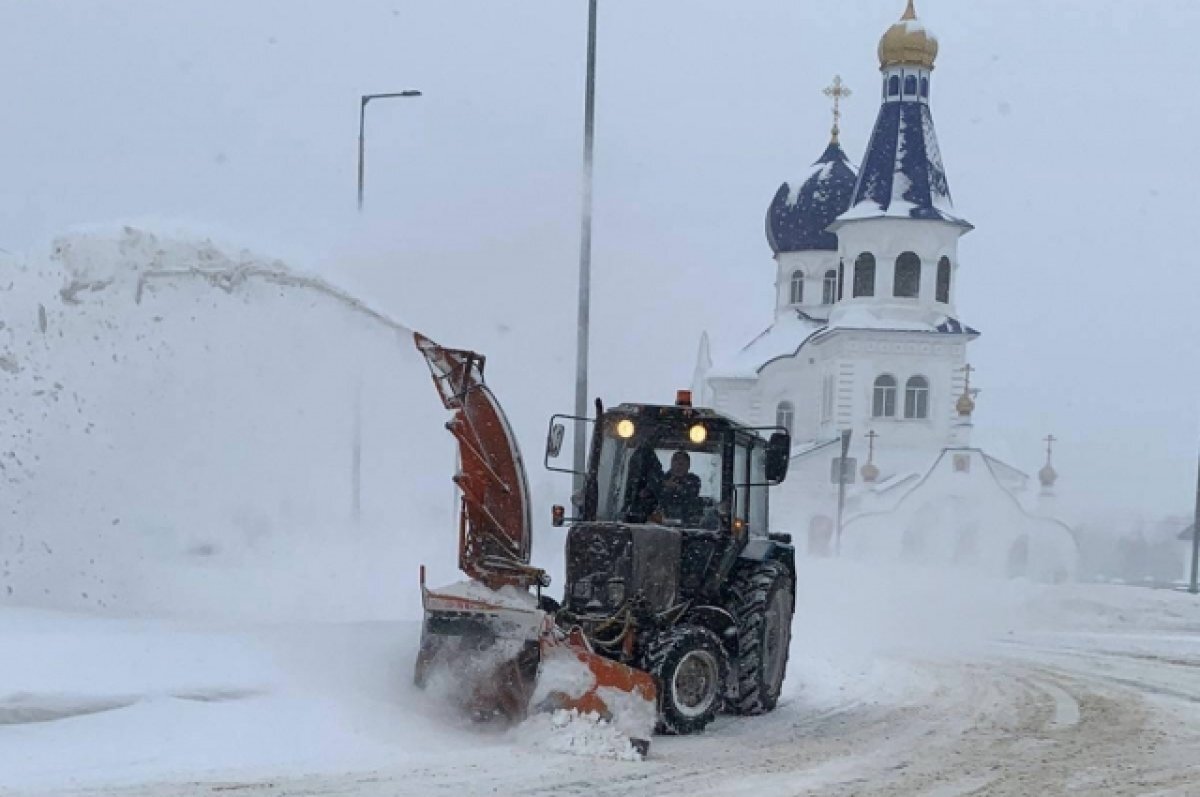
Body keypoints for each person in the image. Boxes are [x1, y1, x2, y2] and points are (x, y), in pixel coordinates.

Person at [659, 450, 702, 523]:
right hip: (663, 522)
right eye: (676, 461)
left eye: (682, 463)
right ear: (671, 464)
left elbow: (692, 494)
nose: (679, 466)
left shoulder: (694, 480)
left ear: (688, 466)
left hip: (688, 522)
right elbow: (657, 497)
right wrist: (665, 487)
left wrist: (679, 488)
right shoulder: (661, 479)